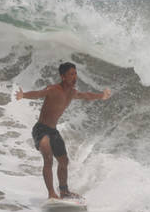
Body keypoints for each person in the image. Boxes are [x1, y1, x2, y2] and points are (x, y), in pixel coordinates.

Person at [15, 62, 112, 200]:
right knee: (48, 159)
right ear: (63, 76)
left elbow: (86, 95)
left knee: (64, 161)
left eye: (75, 73)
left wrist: (101, 96)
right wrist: (23, 95)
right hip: (41, 130)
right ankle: (51, 194)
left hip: (53, 131)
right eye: (71, 74)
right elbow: (38, 93)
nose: (75, 77)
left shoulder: (72, 92)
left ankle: (64, 191)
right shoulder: (53, 89)